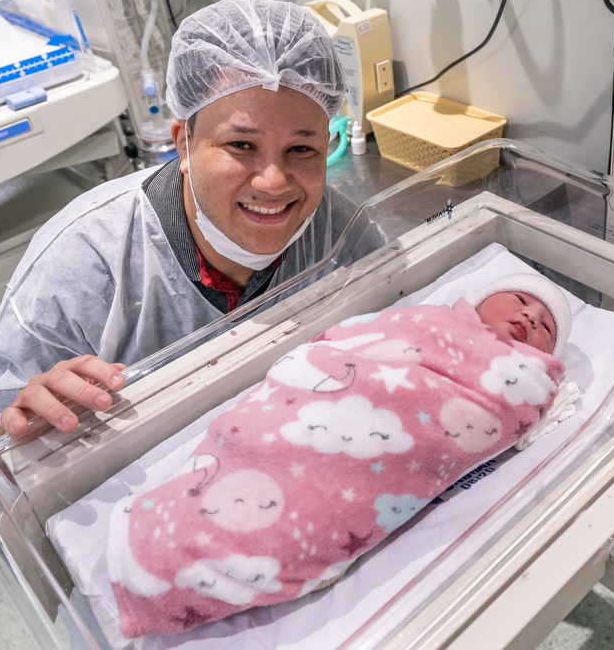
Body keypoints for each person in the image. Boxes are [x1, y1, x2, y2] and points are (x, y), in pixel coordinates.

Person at [0, 0, 349, 509]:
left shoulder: (336, 228)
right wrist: (13, 436)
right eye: (241, 145)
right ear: (184, 144)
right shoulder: (87, 260)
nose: (274, 182)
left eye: (302, 148)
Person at [105, 273, 574, 638]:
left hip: (386, 436)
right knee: (259, 442)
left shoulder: (521, 379)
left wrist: (535, 396)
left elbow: (493, 418)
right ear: (478, 301)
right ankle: (165, 533)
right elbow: (366, 338)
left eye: (547, 327)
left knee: (313, 503)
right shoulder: (433, 320)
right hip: (325, 402)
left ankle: (178, 562)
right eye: (520, 299)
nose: (531, 317)